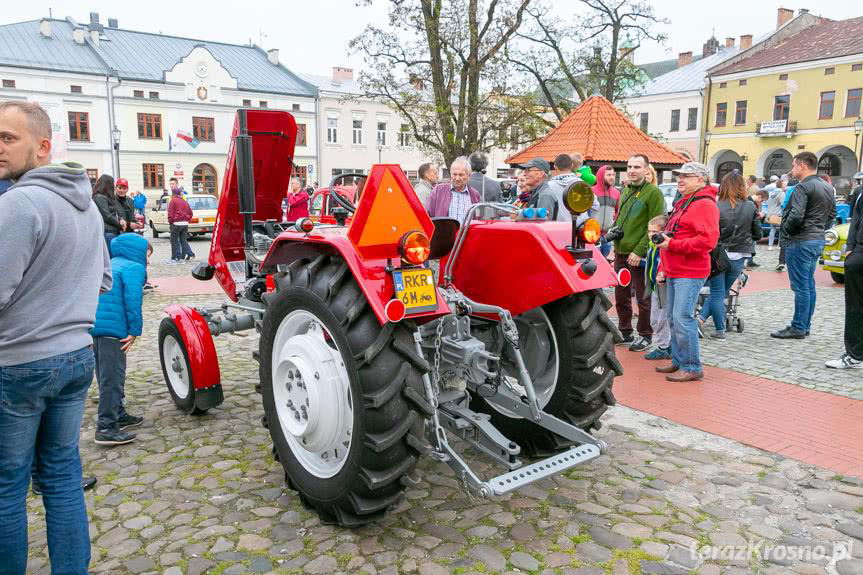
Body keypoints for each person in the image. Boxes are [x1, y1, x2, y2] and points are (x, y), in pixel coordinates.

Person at [0, 100, 111, 574]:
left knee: (8, 484)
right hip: (75, 356)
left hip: (18, 362)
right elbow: (102, 280)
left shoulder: (19, 203)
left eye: (9, 138)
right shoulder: (87, 208)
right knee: (62, 475)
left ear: (43, 147)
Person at [653, 162, 720, 381]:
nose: (680, 180)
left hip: (690, 270)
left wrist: (672, 245)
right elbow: (678, 233)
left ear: (701, 180)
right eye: (679, 176)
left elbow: (707, 241)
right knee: (674, 318)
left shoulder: (704, 204)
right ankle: (679, 360)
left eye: (687, 176)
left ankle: (692, 366)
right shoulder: (686, 202)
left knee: (682, 318)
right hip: (676, 268)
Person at [771, 152, 836, 339]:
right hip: (815, 239)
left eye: (793, 165)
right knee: (808, 285)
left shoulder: (803, 187)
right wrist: (819, 229)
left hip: (801, 240)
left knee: (801, 286)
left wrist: (787, 232)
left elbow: (796, 215)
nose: (792, 169)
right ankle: (804, 325)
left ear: (802, 166)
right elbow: (831, 215)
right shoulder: (826, 186)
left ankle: (799, 327)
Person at [93, 234, 149, 445]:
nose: (148, 259)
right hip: (113, 329)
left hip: (97, 327)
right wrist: (135, 331)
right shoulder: (134, 267)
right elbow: (132, 300)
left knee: (104, 375)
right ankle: (106, 427)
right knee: (113, 380)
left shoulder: (111, 264)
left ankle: (118, 413)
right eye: (147, 253)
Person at [611, 154, 666, 352]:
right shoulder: (625, 191)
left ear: (646, 169)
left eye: (637, 167)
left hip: (639, 255)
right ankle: (625, 330)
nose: (632, 170)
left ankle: (645, 334)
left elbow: (656, 225)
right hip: (620, 252)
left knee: (643, 297)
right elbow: (620, 220)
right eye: (629, 166)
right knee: (621, 294)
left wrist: (639, 250)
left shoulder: (653, 193)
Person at [698, 173, 762, 339]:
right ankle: (712, 326)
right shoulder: (750, 206)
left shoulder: (716, 205)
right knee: (722, 292)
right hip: (740, 253)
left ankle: (710, 325)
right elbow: (757, 233)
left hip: (718, 254)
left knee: (717, 292)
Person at [826, 186, 863, 368]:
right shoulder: (859, 191)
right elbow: (856, 219)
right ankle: (856, 354)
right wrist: (850, 248)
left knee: (857, 308)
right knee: (856, 307)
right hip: (857, 253)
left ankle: (856, 355)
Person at [643, 215, 671, 360]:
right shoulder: (652, 246)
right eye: (649, 231)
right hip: (654, 287)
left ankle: (663, 347)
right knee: (657, 318)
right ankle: (667, 344)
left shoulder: (663, 248)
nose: (651, 235)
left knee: (659, 319)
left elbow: (665, 264)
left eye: (655, 232)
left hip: (662, 287)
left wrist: (663, 273)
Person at [546, 153, 599, 222]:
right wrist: (587, 221)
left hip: (557, 228)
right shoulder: (583, 185)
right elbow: (595, 205)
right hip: (579, 228)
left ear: (555, 167)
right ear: (571, 165)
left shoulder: (548, 186)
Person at [427, 157, 480, 221]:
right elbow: (428, 215)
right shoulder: (438, 191)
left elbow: (477, 218)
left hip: (466, 231)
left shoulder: (475, 195)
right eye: (454, 174)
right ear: (450, 174)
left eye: (461, 175)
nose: (457, 178)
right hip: (443, 231)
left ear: (469, 176)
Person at [92, 174, 125, 253]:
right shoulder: (99, 197)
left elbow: (113, 212)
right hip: (107, 232)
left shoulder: (105, 197)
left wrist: (121, 220)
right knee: (110, 257)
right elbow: (107, 216)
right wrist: (120, 224)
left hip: (111, 231)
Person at [167, 188, 195, 262]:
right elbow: (191, 213)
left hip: (176, 223)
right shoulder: (184, 201)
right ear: (180, 194)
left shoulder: (173, 201)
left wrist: (171, 222)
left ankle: (175, 258)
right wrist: (187, 220)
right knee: (183, 240)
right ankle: (183, 257)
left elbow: (170, 213)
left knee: (174, 241)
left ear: (173, 194)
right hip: (185, 224)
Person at [766, 178, 785, 250]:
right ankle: (779, 245)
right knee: (781, 230)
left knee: (772, 229)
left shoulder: (771, 193)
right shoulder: (782, 193)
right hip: (778, 214)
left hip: (771, 214)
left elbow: (767, 203)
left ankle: (770, 246)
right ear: (781, 185)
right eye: (784, 184)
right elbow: (783, 204)